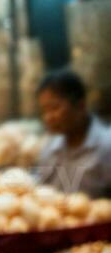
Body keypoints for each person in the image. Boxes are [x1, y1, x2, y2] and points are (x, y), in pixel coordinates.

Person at [35, 68, 111, 197]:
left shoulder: (106, 146)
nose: (48, 117)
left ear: (80, 106)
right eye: (44, 111)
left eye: (54, 108)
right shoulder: (51, 146)